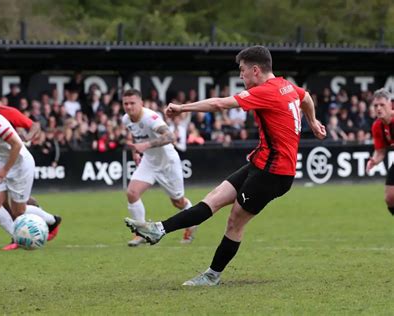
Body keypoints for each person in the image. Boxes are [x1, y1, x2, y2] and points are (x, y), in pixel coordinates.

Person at [124, 46, 326, 285]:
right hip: (260, 162)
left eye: (242, 71)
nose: (241, 76)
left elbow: (220, 104)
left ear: (255, 70)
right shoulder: (287, 86)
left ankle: (212, 275)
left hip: (274, 173)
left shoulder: (267, 91)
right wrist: (312, 121)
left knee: (235, 221)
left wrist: (182, 108)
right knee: (214, 198)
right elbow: (305, 97)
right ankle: (159, 229)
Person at [0, 93, 61, 250]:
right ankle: (17, 237)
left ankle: (52, 221)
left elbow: (17, 145)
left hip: (20, 163)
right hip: (3, 160)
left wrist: (5, 169)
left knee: (19, 211)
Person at [122, 89, 195, 246]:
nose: (128, 107)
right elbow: (137, 136)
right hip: (149, 160)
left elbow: (170, 137)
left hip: (167, 162)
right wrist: (137, 151)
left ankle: (192, 223)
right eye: (125, 103)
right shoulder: (126, 120)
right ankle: (140, 232)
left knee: (178, 202)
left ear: (141, 103)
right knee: (132, 193)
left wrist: (145, 145)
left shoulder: (151, 117)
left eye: (132, 103)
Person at [366, 88, 394, 216]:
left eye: (382, 105)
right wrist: (374, 160)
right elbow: (380, 151)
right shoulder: (377, 126)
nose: (378, 108)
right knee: (390, 198)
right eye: (376, 105)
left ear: (390, 105)